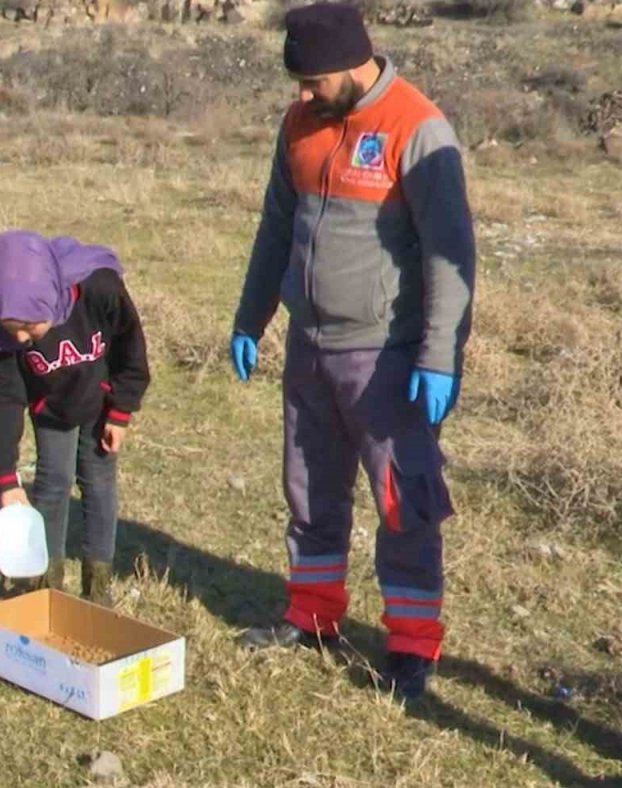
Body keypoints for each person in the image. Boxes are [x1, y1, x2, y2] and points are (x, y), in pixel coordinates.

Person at [228, 3, 475, 700]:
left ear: (351, 61)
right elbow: (277, 225)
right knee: (309, 488)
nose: (302, 95)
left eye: (312, 82)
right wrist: (252, 318)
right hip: (309, 347)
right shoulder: (299, 124)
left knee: (405, 502)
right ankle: (310, 615)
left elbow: (451, 254)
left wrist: (436, 356)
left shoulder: (416, 128)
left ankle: (411, 644)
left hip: (387, 358)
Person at [0, 230, 150, 604]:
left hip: (100, 400)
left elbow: (130, 351)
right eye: (11, 328)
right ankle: (46, 588)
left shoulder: (100, 288)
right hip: (50, 406)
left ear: (49, 299)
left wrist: (120, 412)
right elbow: (2, 397)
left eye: (29, 327)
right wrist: (6, 479)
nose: (20, 339)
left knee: (99, 483)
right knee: (53, 485)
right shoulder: (1, 323)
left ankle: (98, 587)